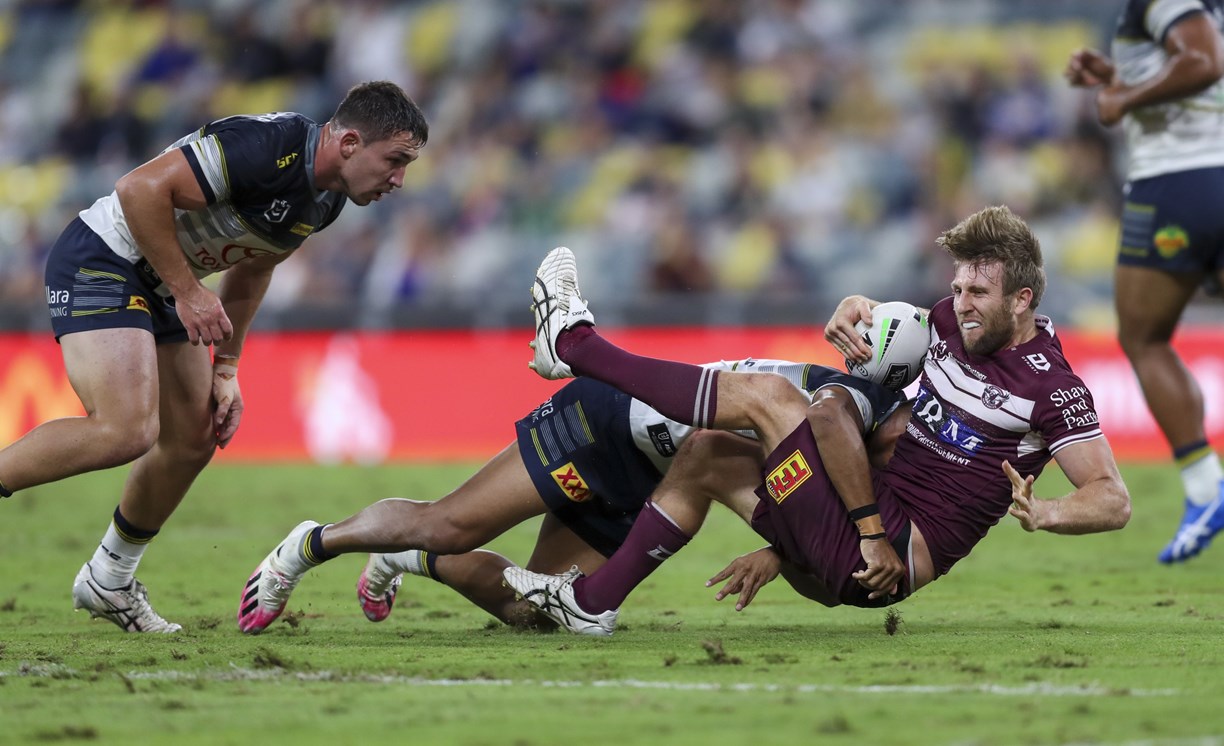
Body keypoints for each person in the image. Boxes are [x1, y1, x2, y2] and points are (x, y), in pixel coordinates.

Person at [503, 206, 1132, 636]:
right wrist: (856, 306)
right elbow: (891, 328)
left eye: (979, 294)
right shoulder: (951, 322)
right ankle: (592, 603)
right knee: (707, 454)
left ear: (1022, 300)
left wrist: (1046, 512)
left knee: (774, 399)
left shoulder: (1051, 388)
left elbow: (1113, 498)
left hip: (883, 560)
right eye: (959, 288)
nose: (961, 305)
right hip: (848, 530)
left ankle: (577, 346)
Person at [0, 81, 429, 633]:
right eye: (395, 160)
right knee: (125, 430)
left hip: (163, 284)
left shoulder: (327, 200)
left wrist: (226, 367)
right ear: (349, 143)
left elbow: (253, 269)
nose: (399, 180)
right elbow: (137, 190)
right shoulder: (266, 146)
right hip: (106, 258)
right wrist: (188, 292)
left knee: (196, 435)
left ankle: (109, 579)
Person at [235, 357, 911, 634]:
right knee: (448, 523)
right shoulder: (841, 410)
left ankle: (407, 558)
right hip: (604, 426)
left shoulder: (856, 420)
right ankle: (307, 546)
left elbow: (796, 518)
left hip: (655, 475)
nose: (909, 454)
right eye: (913, 432)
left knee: (533, 614)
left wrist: (774, 553)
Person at [1065, 1, 1224, 563]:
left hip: (1178, 183)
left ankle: (1205, 488)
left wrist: (1124, 96)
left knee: (1143, 336)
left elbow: (1204, 61)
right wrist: (1121, 73)